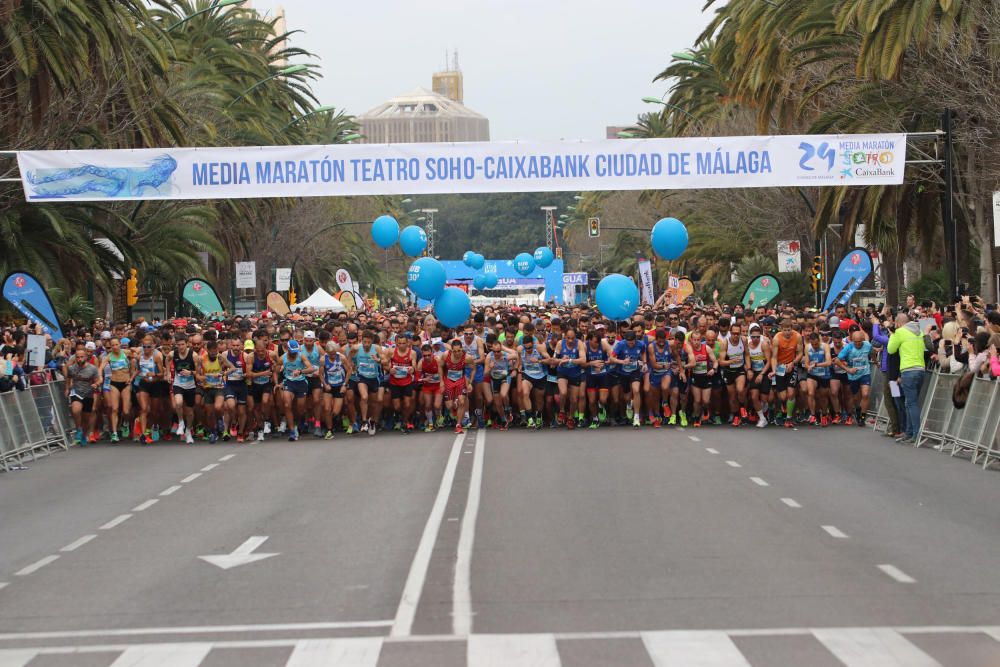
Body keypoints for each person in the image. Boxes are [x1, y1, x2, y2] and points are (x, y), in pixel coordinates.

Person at [888, 313, 926, 444]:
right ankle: (909, 432)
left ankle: (915, 434)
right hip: (920, 369)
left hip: (906, 372)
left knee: (910, 403)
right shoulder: (919, 331)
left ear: (898, 323)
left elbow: (890, 349)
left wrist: (893, 334)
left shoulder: (899, 332)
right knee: (908, 403)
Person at [66, 344, 100, 445]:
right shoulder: (72, 368)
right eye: (77, 357)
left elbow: (97, 380)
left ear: (86, 357)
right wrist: (67, 388)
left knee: (86, 418)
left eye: (81, 357)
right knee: (76, 410)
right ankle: (78, 429)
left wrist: (96, 384)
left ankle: (84, 435)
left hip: (88, 394)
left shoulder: (92, 368)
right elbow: (68, 377)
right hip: (76, 392)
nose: (79, 359)